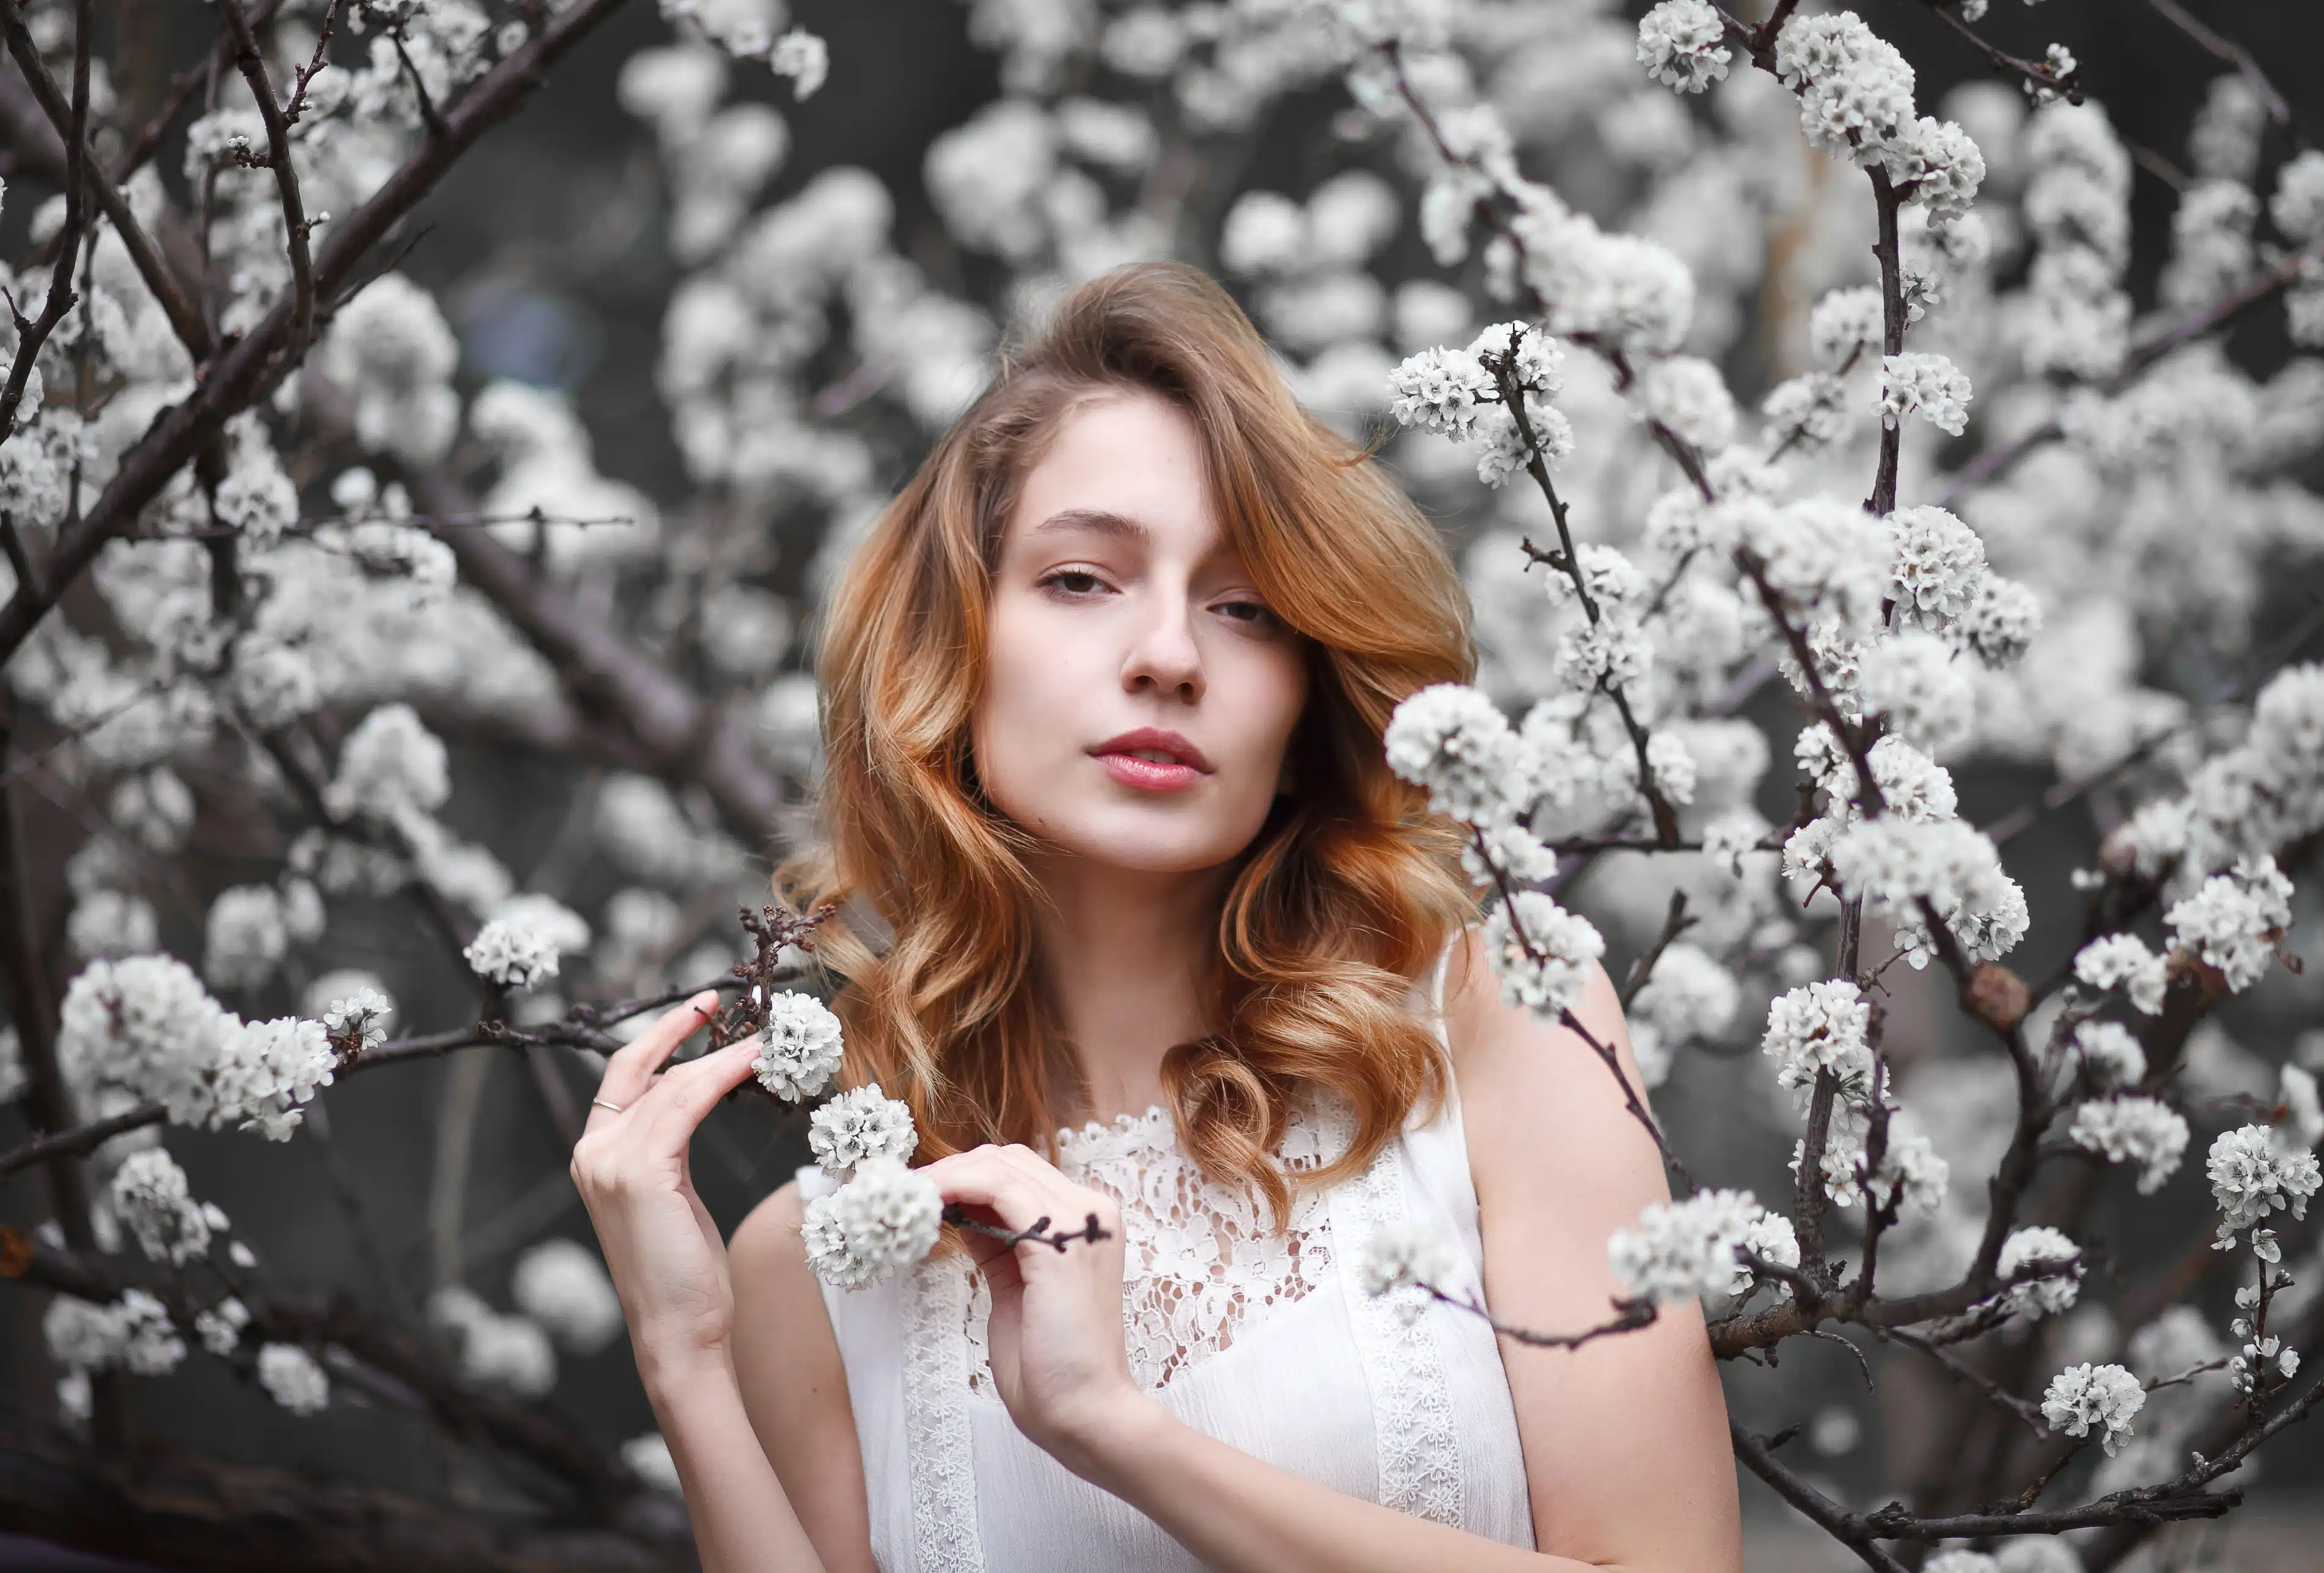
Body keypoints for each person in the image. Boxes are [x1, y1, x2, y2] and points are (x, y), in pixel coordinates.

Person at [571, 260, 1742, 1572]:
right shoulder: (825, 1257)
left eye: (1245, 607)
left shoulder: (1493, 1025)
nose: (1171, 653)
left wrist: (1115, 1430)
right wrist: (687, 1365)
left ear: (1306, 694)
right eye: (1083, 579)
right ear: (951, 648)